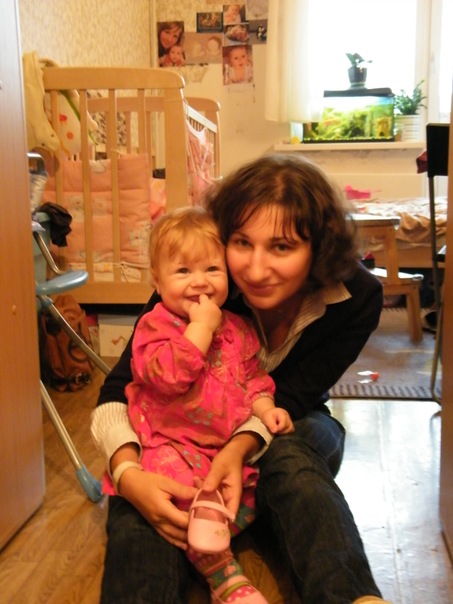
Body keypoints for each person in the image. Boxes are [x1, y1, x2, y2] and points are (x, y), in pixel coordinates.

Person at [91, 154, 390, 603]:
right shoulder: (201, 282)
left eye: (282, 247)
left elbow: (292, 396)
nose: (254, 268)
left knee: (290, 456)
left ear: (319, 247)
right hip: (182, 437)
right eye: (242, 243)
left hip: (290, 417)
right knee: (146, 505)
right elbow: (121, 385)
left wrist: (236, 449)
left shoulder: (357, 298)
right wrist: (128, 473)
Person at [101, 207, 294, 603]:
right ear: (157, 281)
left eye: (212, 269)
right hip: (166, 443)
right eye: (183, 271)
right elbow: (167, 376)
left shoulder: (237, 327)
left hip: (219, 447)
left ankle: (200, 541)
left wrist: (266, 408)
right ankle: (223, 574)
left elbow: (252, 378)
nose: (200, 282)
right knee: (187, 497)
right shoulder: (154, 326)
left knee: (249, 494)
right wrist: (201, 328)